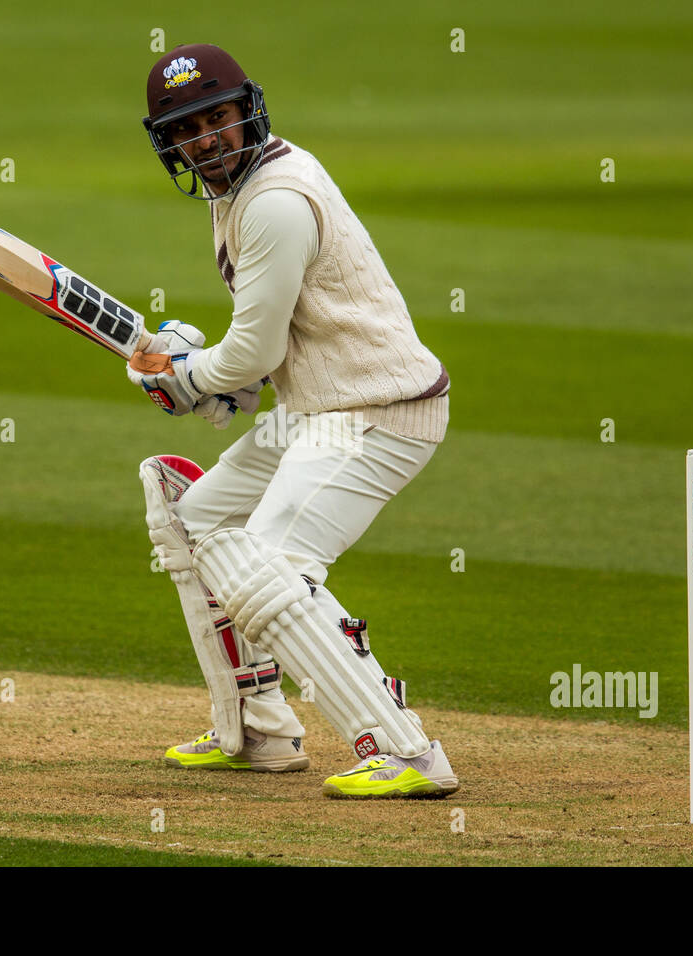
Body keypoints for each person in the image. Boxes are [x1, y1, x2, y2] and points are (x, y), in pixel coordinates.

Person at [129, 43, 457, 798]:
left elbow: (255, 347)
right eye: (186, 128)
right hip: (316, 410)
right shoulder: (235, 190)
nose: (205, 139)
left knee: (271, 564)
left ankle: (406, 751)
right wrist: (216, 384)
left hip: (374, 411)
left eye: (216, 118)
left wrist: (194, 379)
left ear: (246, 112)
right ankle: (259, 730)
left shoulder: (274, 200)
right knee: (193, 520)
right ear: (168, 141)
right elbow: (270, 349)